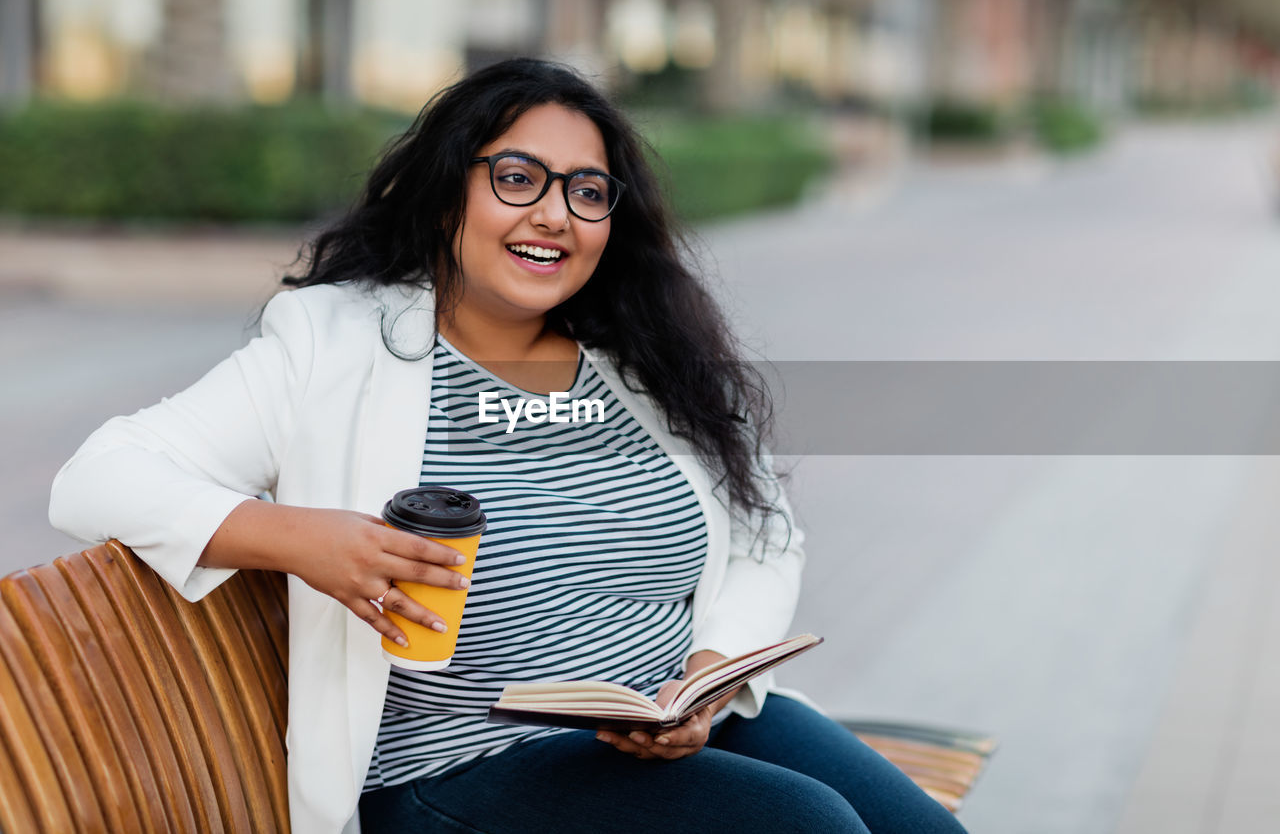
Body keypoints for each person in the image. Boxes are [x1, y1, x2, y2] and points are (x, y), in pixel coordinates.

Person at [49, 58, 966, 834]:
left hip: (666, 726)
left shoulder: (638, 360)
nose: (555, 215)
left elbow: (765, 531)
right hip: (461, 768)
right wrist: (302, 539)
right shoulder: (334, 344)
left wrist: (710, 673)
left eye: (587, 191)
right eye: (517, 178)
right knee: (810, 828)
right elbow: (99, 476)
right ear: (450, 186)